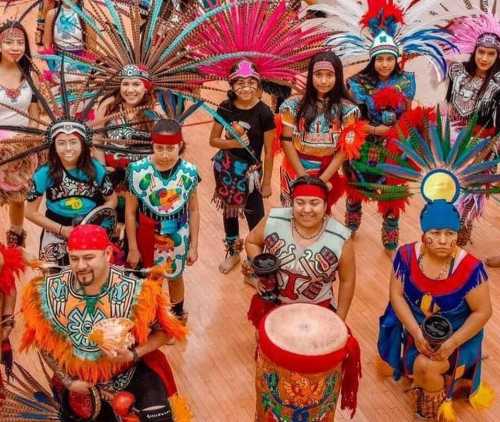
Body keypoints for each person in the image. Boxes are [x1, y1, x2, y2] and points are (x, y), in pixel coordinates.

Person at [312, 0, 456, 253]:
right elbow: (352, 118)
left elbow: (408, 113)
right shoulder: (356, 83)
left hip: (395, 148)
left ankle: (390, 235)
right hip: (363, 145)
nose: (385, 64)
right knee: (356, 188)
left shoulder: (407, 81)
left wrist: (402, 133)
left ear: (397, 59)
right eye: (380, 59)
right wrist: (375, 130)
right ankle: (352, 224)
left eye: (389, 59)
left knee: (392, 194)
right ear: (372, 59)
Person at [18, 224, 190, 421]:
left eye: (89, 257)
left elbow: (165, 332)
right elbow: (43, 343)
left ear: (107, 254)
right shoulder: (49, 292)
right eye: (74, 258)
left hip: (130, 373)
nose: (81, 265)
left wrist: (133, 354)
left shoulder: (138, 291)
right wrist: (69, 382)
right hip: (81, 384)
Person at [378, 199, 494, 420]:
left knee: (426, 366)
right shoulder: (406, 256)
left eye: (450, 233)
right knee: (423, 363)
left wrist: (451, 343)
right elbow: (396, 296)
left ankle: (427, 412)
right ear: (423, 234)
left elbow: (483, 312)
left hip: (459, 339)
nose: (443, 240)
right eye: (436, 232)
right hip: (418, 335)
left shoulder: (470, 268)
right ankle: (428, 397)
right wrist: (416, 332)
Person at [245, 176, 356, 327]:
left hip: (318, 310)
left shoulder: (341, 237)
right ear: (292, 203)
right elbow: (251, 241)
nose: (307, 209)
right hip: (274, 305)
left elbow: (347, 280)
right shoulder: (274, 220)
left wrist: (339, 320)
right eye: (300, 202)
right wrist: (262, 270)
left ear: (325, 206)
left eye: (314, 203)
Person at [126, 118, 200, 323]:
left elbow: (194, 210)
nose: (165, 154)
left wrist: (194, 245)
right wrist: (133, 246)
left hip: (178, 234)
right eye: (159, 148)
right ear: (152, 145)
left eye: (171, 148)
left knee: (175, 275)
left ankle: (176, 314)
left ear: (180, 145)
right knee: (151, 278)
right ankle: (152, 316)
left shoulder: (189, 172)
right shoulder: (137, 171)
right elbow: (130, 212)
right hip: (147, 235)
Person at [208, 60, 275, 275]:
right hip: (227, 169)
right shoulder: (225, 108)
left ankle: (255, 260)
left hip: (251, 174)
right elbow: (213, 140)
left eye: (250, 82)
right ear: (231, 85)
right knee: (230, 213)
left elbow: (269, 150)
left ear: (258, 84)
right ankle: (233, 252)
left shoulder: (264, 112)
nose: (245, 88)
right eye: (240, 83)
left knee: (256, 216)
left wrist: (266, 182)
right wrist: (234, 144)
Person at [278, 51, 362, 209]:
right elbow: (287, 141)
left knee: (318, 214)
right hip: (295, 168)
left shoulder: (348, 109)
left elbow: (345, 149)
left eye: (329, 75)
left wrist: (322, 180)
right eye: (318, 74)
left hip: (327, 170)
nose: (323, 81)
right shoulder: (293, 105)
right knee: (291, 212)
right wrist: (303, 176)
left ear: (338, 77)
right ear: (311, 76)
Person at [25, 125, 116, 266]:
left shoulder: (96, 168)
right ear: (53, 146)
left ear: (83, 144)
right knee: (54, 281)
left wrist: (91, 222)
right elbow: (30, 212)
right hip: (56, 231)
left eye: (73, 142)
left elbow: (112, 200)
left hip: (90, 230)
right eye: (61, 143)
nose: (68, 148)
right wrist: (62, 230)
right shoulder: (43, 173)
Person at [445, 13, 500, 246]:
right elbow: (448, 108)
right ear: (474, 51)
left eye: (491, 54)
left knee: (468, 201)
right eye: (481, 52)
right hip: (451, 147)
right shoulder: (457, 74)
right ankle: (442, 238)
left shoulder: (498, 84)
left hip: (481, 150)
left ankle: (459, 246)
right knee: (445, 194)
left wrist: (482, 155)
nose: (484, 58)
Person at [0, 20, 41, 247]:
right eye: (9, 42)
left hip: (23, 146)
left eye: (20, 42)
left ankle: (15, 243)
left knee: (19, 197)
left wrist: (35, 141)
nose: (15, 47)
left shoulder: (29, 74)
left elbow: (34, 112)